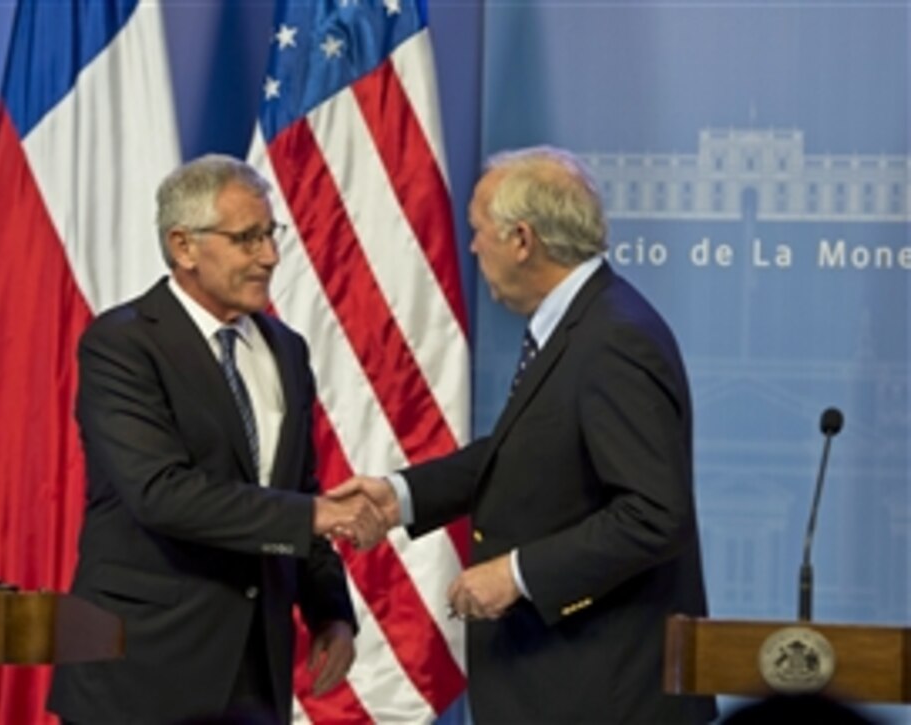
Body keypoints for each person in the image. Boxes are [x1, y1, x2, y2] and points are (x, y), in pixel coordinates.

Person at [330, 146, 718, 723]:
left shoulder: (613, 339)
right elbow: (531, 450)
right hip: (565, 685)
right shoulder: (581, 323)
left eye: (479, 230)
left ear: (521, 239)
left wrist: (517, 574)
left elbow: (654, 513)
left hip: (602, 696)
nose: (472, 248)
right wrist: (401, 496)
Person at [48, 154, 383, 724]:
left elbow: (298, 487)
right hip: (140, 671)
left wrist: (330, 611)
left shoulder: (287, 348)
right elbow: (161, 492)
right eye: (247, 239)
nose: (270, 257)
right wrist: (313, 516)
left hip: (255, 674)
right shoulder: (122, 345)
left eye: (270, 235)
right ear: (183, 246)